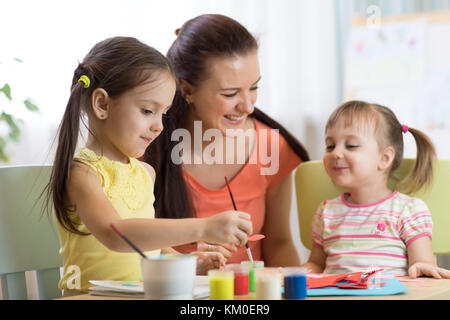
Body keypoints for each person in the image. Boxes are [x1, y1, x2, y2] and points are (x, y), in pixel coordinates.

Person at [46, 36, 252, 294]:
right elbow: (116, 234)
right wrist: (203, 226)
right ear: (102, 104)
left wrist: (186, 262)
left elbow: (149, 248)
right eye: (147, 111)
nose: (159, 125)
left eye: (163, 113)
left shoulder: (145, 172)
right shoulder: (83, 173)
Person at [145, 14, 309, 273]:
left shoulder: (271, 146)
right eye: (230, 93)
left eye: (253, 87)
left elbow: (279, 243)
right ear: (187, 90)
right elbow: (130, 246)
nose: (248, 105)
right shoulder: (147, 147)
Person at [302, 100, 450, 278]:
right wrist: (295, 272)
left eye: (351, 146)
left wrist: (423, 267)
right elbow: (316, 264)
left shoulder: (408, 210)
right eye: (330, 146)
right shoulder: (326, 211)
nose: (336, 153)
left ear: (385, 158)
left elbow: (422, 262)